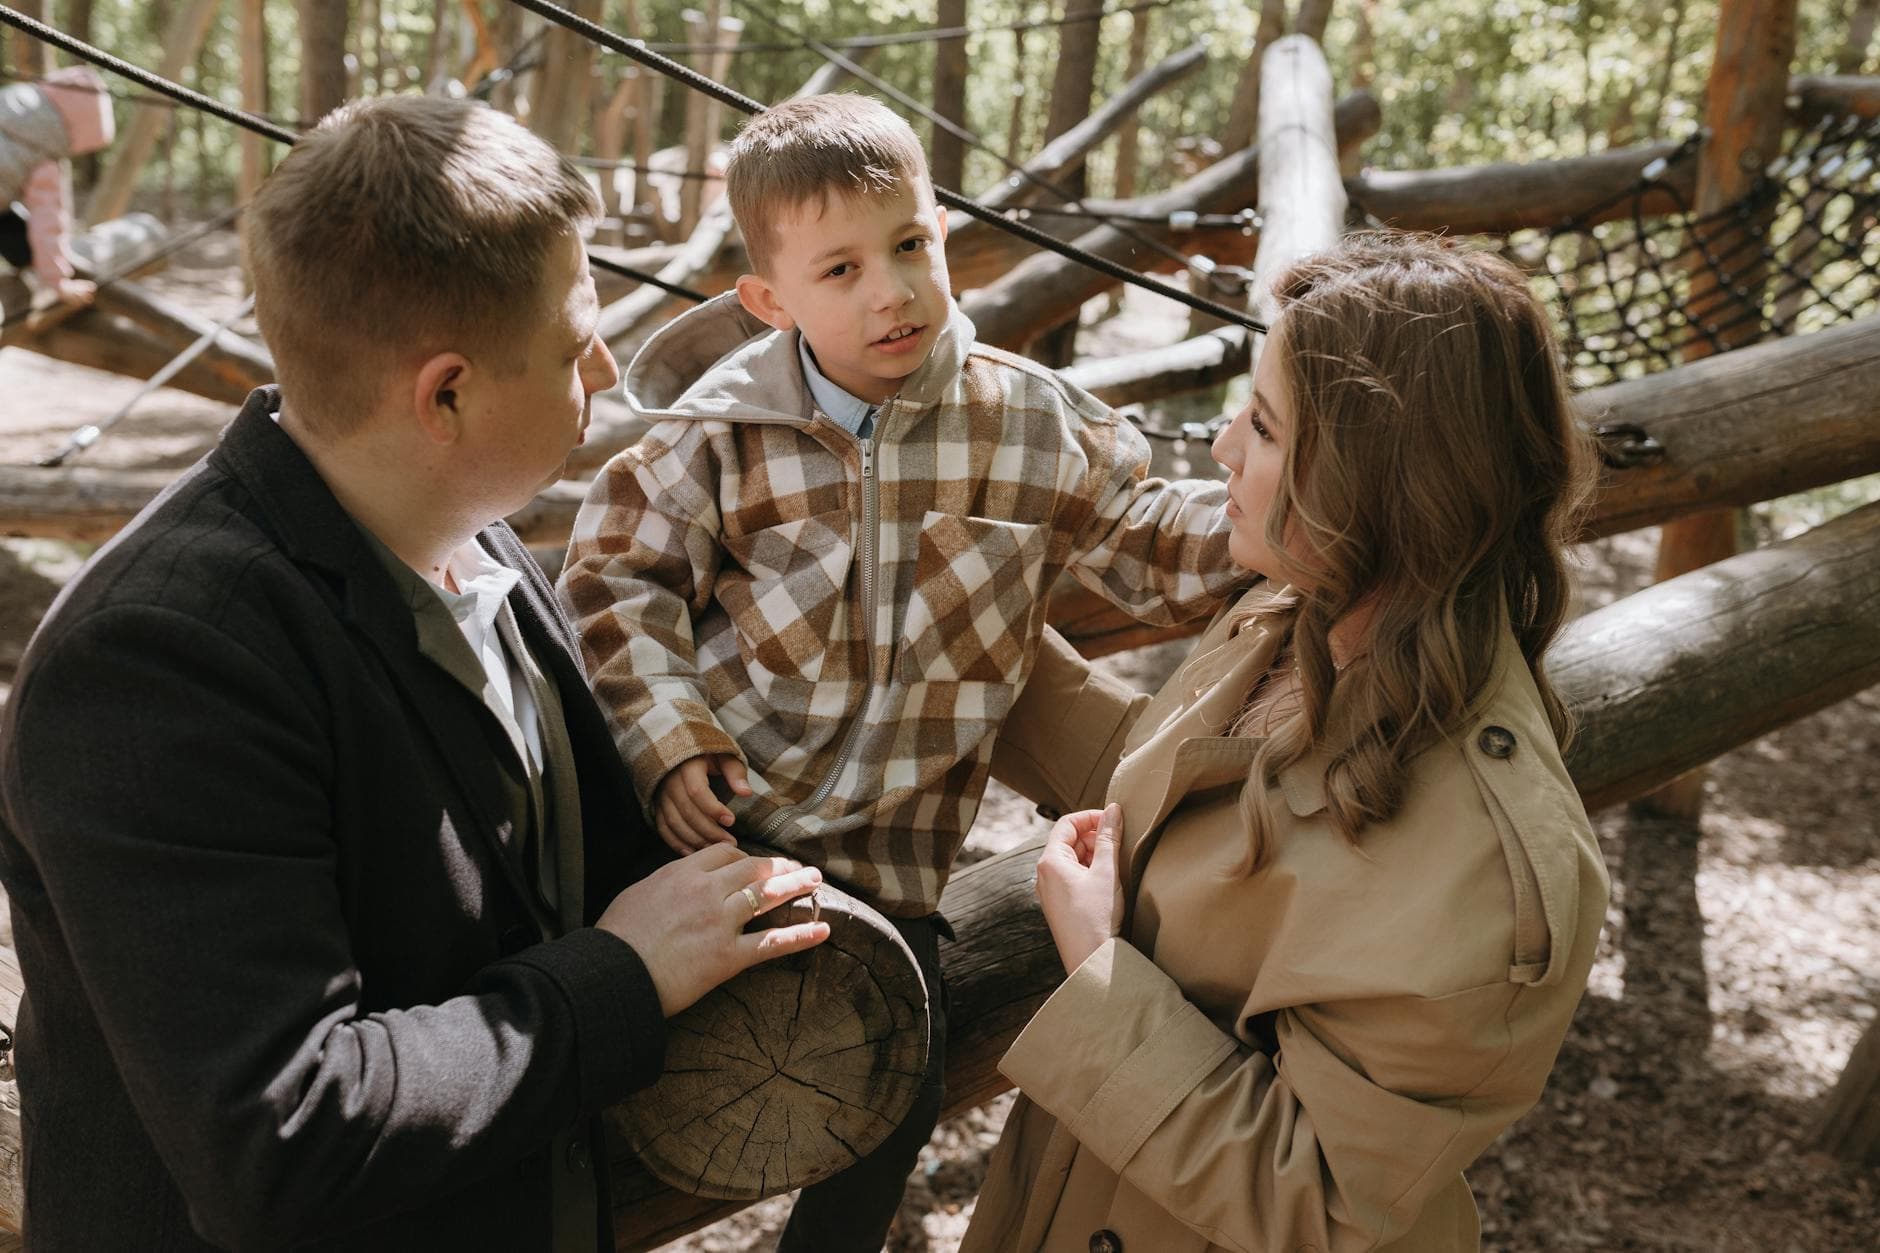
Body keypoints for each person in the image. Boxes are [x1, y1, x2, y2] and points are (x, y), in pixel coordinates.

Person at [0, 95, 828, 1252]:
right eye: (572, 336)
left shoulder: (462, 529)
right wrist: (623, 975)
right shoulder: (153, 663)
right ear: (445, 394)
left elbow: (560, 865)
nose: (601, 363)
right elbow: (281, 1139)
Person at [557, 92, 1244, 1251]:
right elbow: (614, 577)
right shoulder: (720, 433)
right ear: (771, 301)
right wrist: (667, 736)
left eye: (910, 245)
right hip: (717, 835)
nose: (892, 290)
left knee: (897, 1085)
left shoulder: (1020, 421)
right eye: (840, 269)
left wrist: (1282, 517)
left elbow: (1148, 534)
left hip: (891, 859)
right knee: (625, 1070)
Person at [962, 233, 1611, 1253]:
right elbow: (1184, 808)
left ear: (1378, 478)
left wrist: (1095, 962)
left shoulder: (1488, 874)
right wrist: (972, 634)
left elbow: (1322, 1201)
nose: (1221, 446)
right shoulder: (1298, 613)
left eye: (1261, 425)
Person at [0, 65, 115, 306]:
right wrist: (58, 282)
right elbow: (47, 223)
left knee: (13, 222)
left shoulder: (10, 99)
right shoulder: (46, 154)